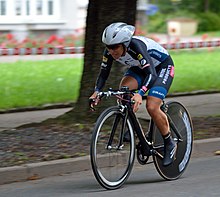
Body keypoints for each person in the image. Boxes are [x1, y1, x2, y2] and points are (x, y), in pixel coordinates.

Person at [89, 22, 176, 166]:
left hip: (161, 68)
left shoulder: (137, 47)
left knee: (152, 106)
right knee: (123, 92)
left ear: (124, 43)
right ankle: (134, 129)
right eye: (108, 47)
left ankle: (169, 143)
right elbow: (103, 74)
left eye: (115, 47)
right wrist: (96, 92)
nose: (112, 51)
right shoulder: (110, 52)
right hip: (140, 68)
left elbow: (152, 74)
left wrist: (140, 93)